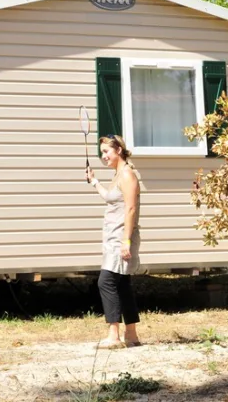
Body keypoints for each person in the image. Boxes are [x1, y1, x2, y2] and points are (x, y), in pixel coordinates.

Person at [85, 135, 142, 349]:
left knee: (106, 282)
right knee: (122, 284)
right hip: (113, 236)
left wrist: (126, 241)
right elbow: (110, 198)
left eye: (106, 152)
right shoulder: (118, 174)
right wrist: (94, 181)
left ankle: (113, 336)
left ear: (118, 150)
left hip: (121, 237)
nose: (104, 156)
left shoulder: (127, 174)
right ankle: (132, 335)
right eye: (102, 153)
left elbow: (131, 208)